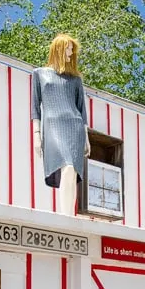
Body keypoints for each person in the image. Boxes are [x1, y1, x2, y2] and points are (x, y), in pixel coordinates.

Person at [32, 34, 90, 217]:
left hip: (75, 127)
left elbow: (82, 109)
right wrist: (36, 134)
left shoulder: (75, 80)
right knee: (66, 166)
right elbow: (35, 108)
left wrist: (87, 138)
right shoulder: (39, 74)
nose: (71, 52)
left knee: (72, 172)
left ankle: (68, 216)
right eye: (68, 48)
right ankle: (66, 217)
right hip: (53, 127)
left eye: (72, 49)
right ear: (58, 48)